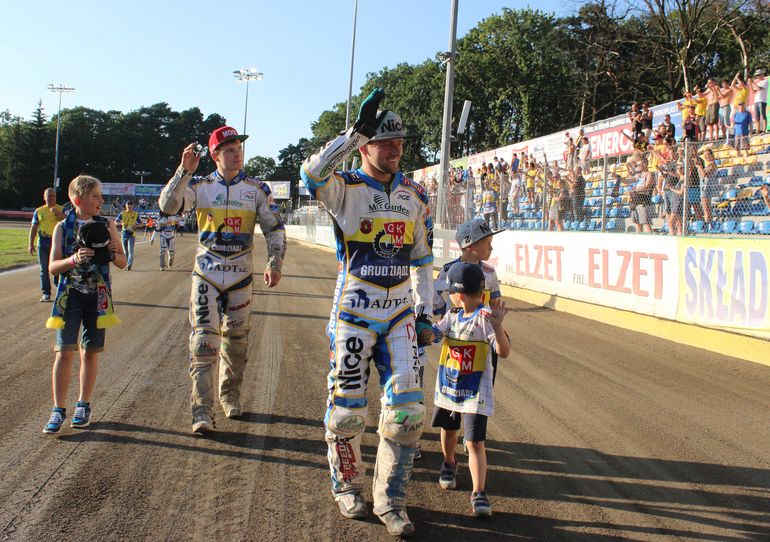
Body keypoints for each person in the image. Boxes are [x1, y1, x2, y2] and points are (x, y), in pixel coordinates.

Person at [299, 88, 434, 538]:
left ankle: (390, 500)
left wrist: (426, 312)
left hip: (399, 314)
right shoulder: (345, 189)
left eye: (400, 142)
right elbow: (310, 172)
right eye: (385, 141)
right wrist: (351, 132)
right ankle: (346, 485)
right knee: (346, 413)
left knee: (408, 413)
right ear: (366, 146)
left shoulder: (415, 195)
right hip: (354, 312)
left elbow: (421, 260)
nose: (396, 149)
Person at [159, 126, 285, 434]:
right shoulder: (199, 186)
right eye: (229, 148)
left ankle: (230, 396)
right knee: (203, 343)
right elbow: (167, 206)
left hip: (241, 277)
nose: (237, 152)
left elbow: (274, 228)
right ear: (215, 155)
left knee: (236, 344)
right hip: (207, 275)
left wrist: (275, 261)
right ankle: (202, 410)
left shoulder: (257, 189)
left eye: (239, 147)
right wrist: (182, 172)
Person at [42, 175, 126, 434]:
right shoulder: (62, 227)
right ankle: (58, 409)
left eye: (101, 195)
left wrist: (113, 252)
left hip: (98, 300)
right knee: (64, 352)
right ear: (78, 200)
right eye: (96, 196)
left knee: (89, 352)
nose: (102, 200)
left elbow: (123, 262)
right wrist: (73, 259)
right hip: (70, 297)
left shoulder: (108, 225)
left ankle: (83, 404)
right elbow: (52, 267)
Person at [427, 262, 510, 517]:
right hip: (449, 389)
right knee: (448, 430)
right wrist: (422, 330)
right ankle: (449, 462)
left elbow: (503, 352)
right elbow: (434, 334)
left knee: (474, 442)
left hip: (475, 394)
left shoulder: (486, 319)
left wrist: (497, 327)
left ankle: (479, 492)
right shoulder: (451, 316)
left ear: (458, 294)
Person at [29, 188, 65, 301]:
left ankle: (60, 290)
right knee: (44, 270)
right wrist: (30, 243)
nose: (51, 198)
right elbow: (34, 227)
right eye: (48, 196)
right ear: (44, 197)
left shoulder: (61, 209)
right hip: (42, 241)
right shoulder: (39, 211)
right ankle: (46, 293)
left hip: (56, 242)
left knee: (57, 269)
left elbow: (68, 220)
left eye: (53, 196)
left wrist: (58, 213)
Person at [115, 200, 142, 270]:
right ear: (126, 206)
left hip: (132, 234)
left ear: (133, 206)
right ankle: (126, 264)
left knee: (131, 250)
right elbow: (115, 222)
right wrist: (121, 224)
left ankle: (129, 265)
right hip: (124, 234)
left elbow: (141, 223)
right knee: (125, 251)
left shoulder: (135, 214)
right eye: (128, 205)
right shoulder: (122, 214)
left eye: (131, 205)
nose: (129, 206)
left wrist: (136, 226)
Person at [749, 69, 767, 134]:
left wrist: (753, 82)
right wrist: (750, 83)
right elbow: (753, 91)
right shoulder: (758, 83)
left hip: (762, 100)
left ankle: (764, 130)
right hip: (756, 101)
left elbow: (759, 88)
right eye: (756, 76)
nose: (757, 77)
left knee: (763, 115)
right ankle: (757, 130)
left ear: (762, 75)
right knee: (757, 116)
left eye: (758, 75)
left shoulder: (765, 81)